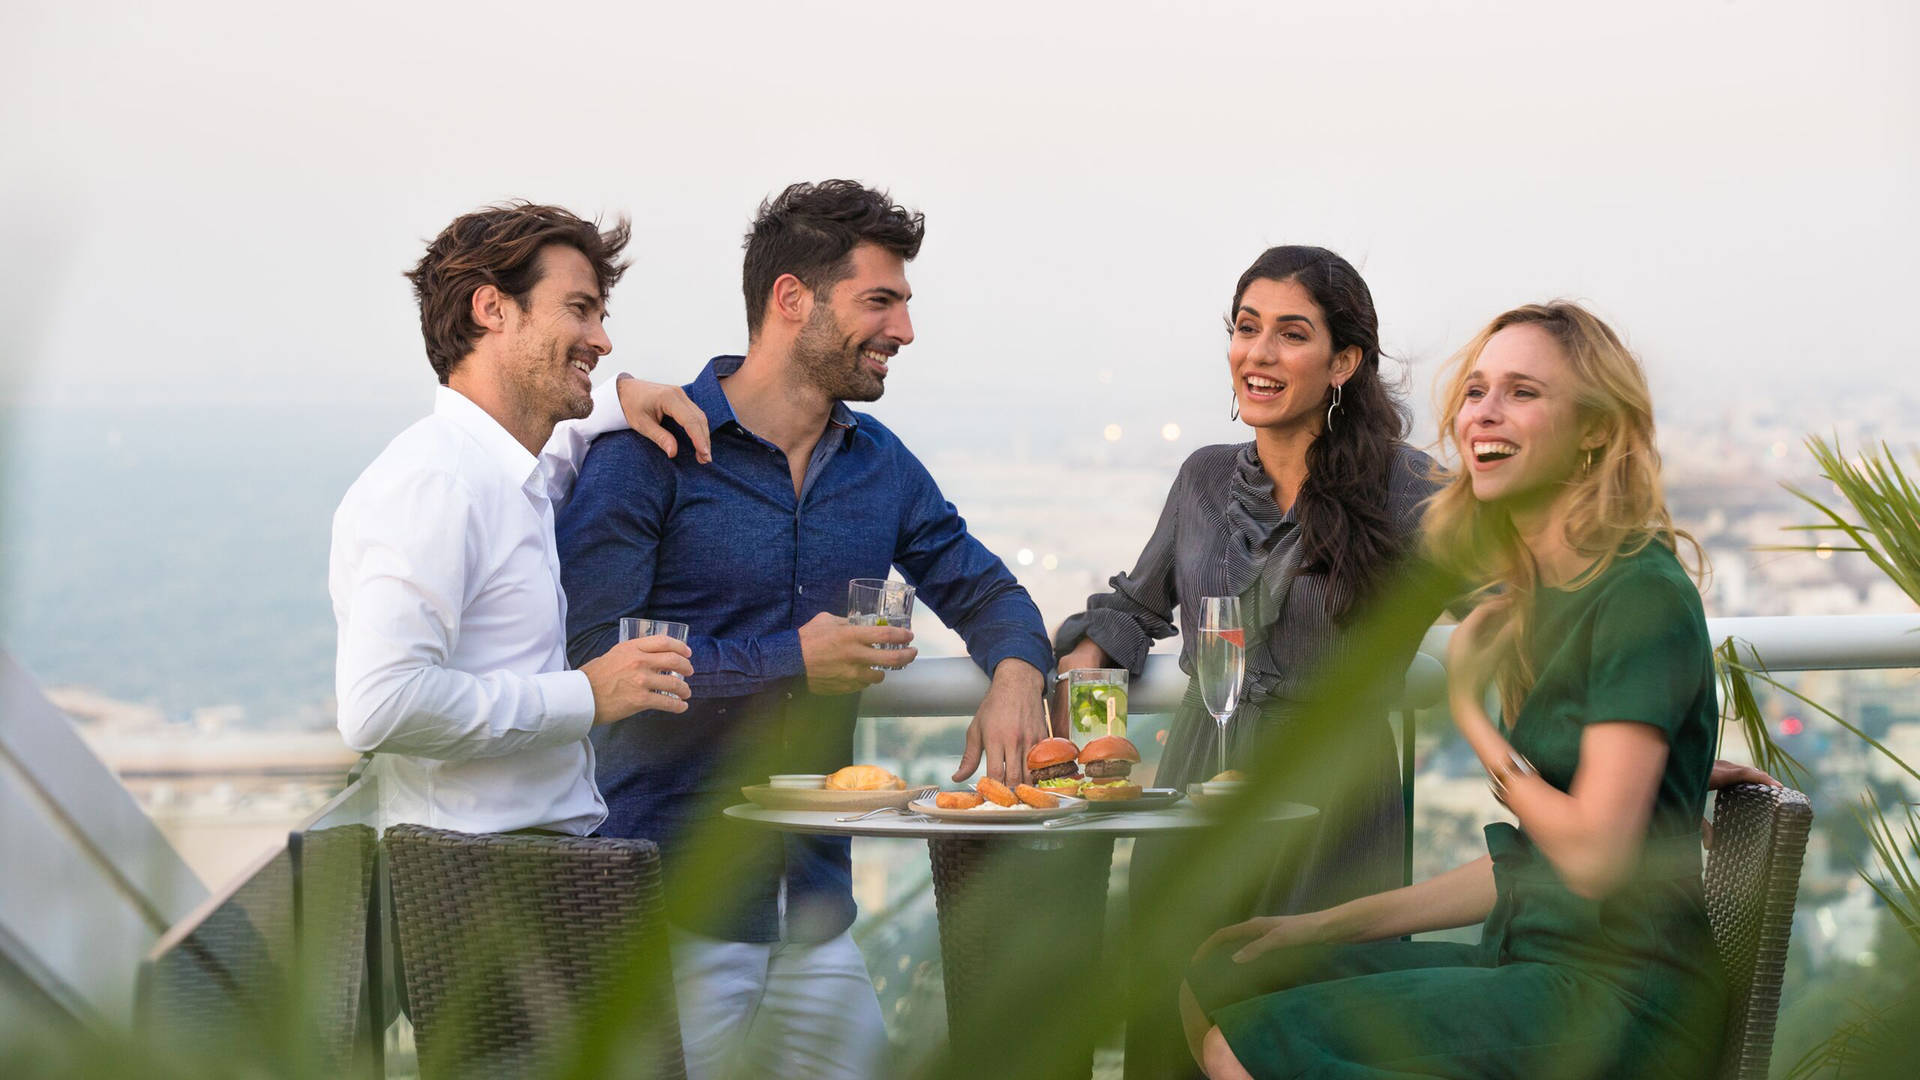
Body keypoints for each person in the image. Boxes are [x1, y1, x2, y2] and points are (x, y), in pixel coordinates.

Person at [555, 180, 1054, 1078]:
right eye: (881, 300)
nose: (904, 330)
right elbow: (595, 666)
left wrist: (1018, 674)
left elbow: (987, 591)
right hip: (669, 910)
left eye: (903, 304)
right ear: (792, 300)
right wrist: (794, 660)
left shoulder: (879, 467)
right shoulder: (644, 460)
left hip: (817, 911)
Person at [1182, 302, 1750, 1078]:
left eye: (1523, 391)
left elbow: (1590, 861)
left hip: (1617, 1004)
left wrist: (1471, 713)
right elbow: (1526, 868)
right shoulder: (1547, 592)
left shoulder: (1635, 592)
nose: (1485, 412)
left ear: (1594, 428)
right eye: (1477, 390)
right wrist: (1313, 928)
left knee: (1243, 1045)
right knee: (1228, 974)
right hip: (1523, 964)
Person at [1053, 246, 1436, 1078]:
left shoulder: (1409, 490)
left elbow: (1517, 611)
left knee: (1304, 1033)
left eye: (1290, 334)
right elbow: (1134, 607)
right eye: (1245, 328)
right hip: (1199, 783)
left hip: (1334, 799)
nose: (1257, 354)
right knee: (1174, 1028)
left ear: (1343, 362)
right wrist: (1075, 676)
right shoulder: (1202, 479)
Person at [330, 201, 715, 835]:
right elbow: (380, 705)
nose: (603, 340)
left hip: (534, 878)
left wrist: (621, 396)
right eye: (578, 309)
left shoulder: (506, 474)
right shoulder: (435, 482)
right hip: (471, 889)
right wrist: (586, 694)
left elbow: (553, 456)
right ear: (492, 309)